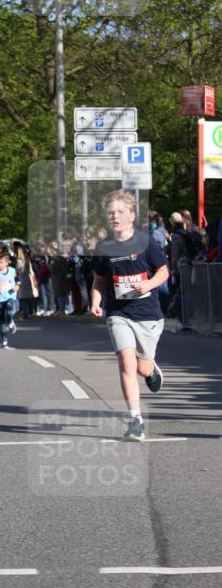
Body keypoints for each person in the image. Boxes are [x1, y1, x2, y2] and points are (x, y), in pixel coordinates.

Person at [91, 189, 168, 442]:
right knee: (126, 362)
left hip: (147, 314)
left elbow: (164, 272)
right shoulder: (104, 247)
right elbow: (99, 280)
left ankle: (151, 368)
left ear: (131, 215)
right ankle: (135, 420)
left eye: (120, 212)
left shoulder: (146, 242)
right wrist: (96, 301)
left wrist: (148, 285)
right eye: (110, 213)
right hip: (118, 312)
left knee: (142, 367)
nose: (114, 216)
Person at [0, 249, 18, 348]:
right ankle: (4, 340)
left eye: (1, 262)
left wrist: (17, 286)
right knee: (2, 320)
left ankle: (10, 321)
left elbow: (17, 280)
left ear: (6, 263)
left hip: (10, 296)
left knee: (10, 310)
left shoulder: (12, 270)